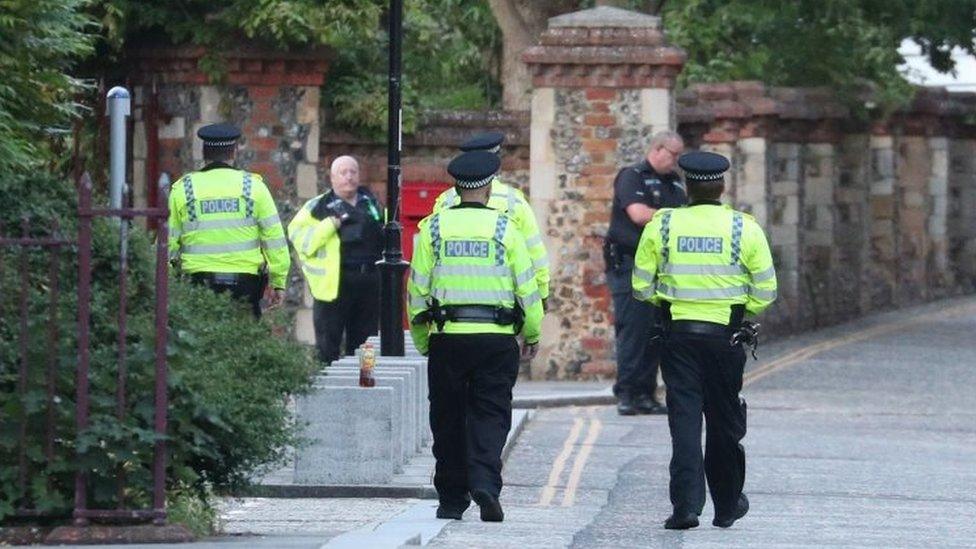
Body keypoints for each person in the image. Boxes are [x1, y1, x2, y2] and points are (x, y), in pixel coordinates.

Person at [631, 151, 777, 530]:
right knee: (725, 421)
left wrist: (668, 301)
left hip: (677, 336)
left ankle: (685, 507)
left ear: (686, 186)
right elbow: (766, 291)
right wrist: (742, 310)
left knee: (684, 421)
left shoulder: (662, 226)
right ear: (722, 186)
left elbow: (641, 287)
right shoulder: (744, 228)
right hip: (726, 338)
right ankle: (726, 506)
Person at [408, 150, 544, 523]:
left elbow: (417, 291)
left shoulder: (432, 228)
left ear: (456, 188)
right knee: (491, 413)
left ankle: (451, 499)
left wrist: (423, 338)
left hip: (448, 337)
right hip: (497, 339)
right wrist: (532, 333)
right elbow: (527, 290)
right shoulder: (506, 229)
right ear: (487, 187)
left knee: (447, 418)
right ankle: (485, 482)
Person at [168, 123, 290, 318]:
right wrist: (278, 282)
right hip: (245, 286)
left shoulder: (183, 189)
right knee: (243, 344)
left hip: (198, 285)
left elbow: (166, 244)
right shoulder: (254, 187)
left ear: (204, 152)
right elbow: (275, 240)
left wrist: (166, 284)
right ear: (234, 152)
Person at [605, 130, 687, 415]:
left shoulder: (674, 182)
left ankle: (646, 394)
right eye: (673, 154)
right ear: (657, 149)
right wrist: (676, 217)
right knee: (634, 330)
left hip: (661, 268)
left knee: (655, 331)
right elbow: (638, 214)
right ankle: (627, 393)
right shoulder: (633, 176)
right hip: (630, 264)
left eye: (679, 156)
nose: (676, 161)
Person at [433, 132, 550, 306]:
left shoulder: (445, 201)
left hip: (448, 313)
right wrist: (541, 297)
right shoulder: (515, 202)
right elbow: (536, 257)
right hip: (502, 313)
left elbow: (430, 256)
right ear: (496, 164)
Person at [287, 155, 384, 364]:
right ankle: (326, 388)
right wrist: (329, 226)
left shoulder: (373, 204)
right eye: (343, 172)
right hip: (333, 286)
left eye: (353, 172)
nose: (349, 177)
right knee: (327, 344)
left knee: (367, 344)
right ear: (331, 178)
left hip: (368, 283)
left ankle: (366, 382)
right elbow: (301, 240)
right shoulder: (318, 206)